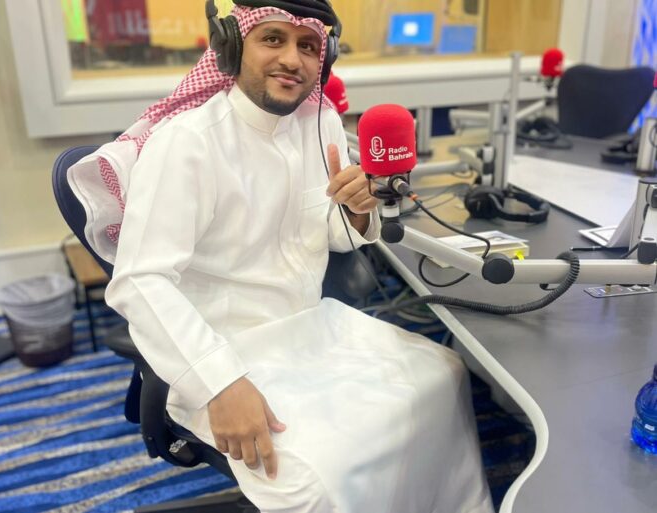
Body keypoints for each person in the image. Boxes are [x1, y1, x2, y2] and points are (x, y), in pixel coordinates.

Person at [69, 1, 494, 512]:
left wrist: (357, 211)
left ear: (325, 57)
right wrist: (221, 385)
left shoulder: (320, 123)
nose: (293, 59)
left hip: (311, 328)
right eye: (273, 39)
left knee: (446, 372)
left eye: (308, 46)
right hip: (220, 351)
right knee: (313, 478)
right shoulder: (186, 143)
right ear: (232, 47)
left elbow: (331, 235)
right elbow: (140, 282)